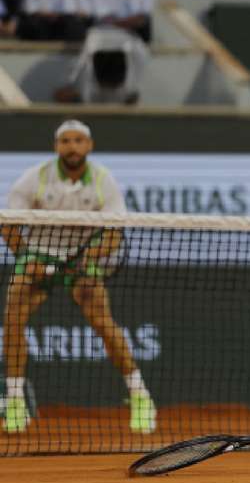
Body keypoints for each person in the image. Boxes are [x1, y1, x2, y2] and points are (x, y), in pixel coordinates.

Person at [1, 119, 157, 434]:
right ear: (57, 146)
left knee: (103, 323)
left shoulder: (103, 181)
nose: (72, 146)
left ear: (89, 146)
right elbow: (7, 224)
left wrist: (90, 258)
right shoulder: (35, 178)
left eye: (78, 140)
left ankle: (141, 396)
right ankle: (15, 400)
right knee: (13, 320)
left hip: (83, 259)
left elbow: (113, 235)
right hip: (38, 256)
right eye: (66, 141)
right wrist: (25, 257)